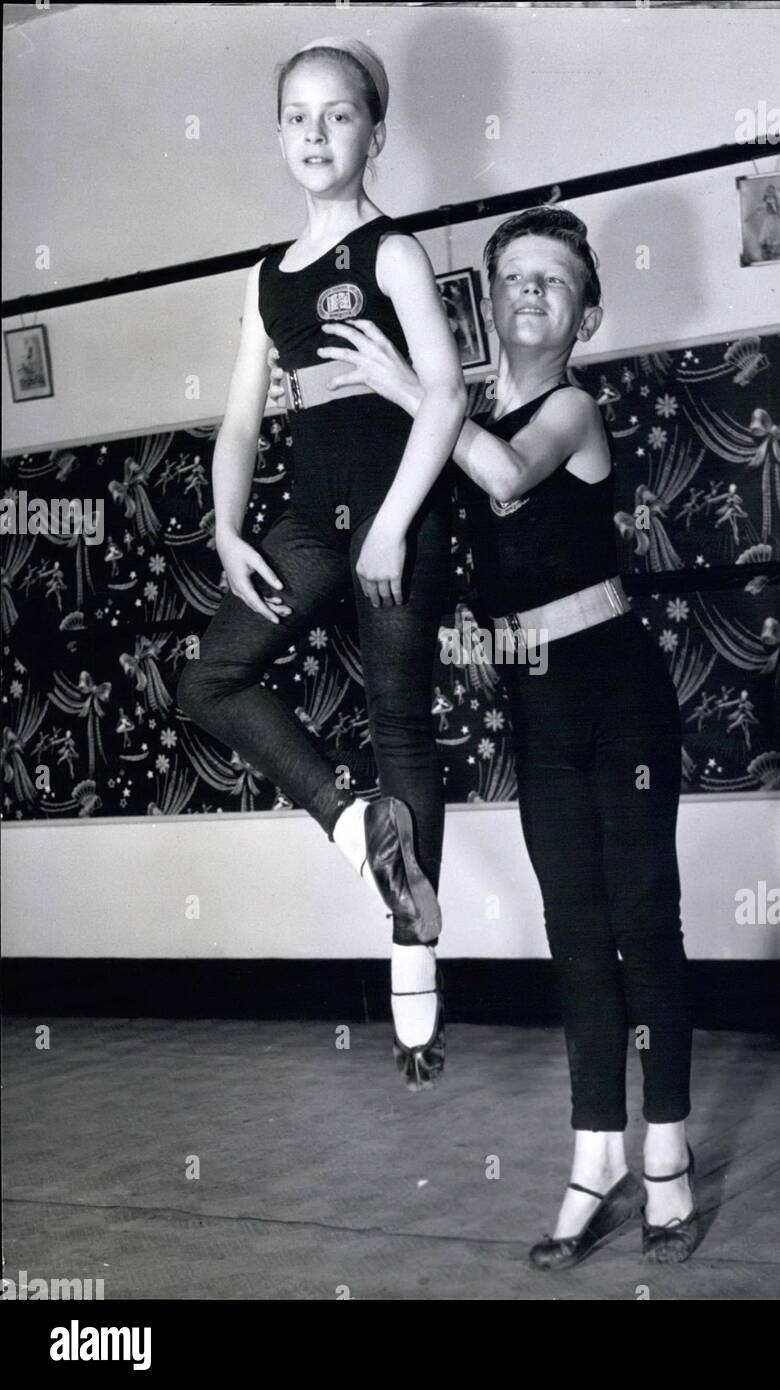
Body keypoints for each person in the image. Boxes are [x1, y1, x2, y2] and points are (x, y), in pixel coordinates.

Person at [269, 206, 699, 1268]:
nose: (530, 293)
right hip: (538, 708)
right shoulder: (446, 427)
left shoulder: (574, 410)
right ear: (487, 300)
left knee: (645, 931)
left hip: (621, 693)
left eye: (554, 281)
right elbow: (402, 492)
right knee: (574, 938)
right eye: (513, 276)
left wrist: (415, 388)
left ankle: (670, 1163)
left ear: (585, 312)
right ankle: (595, 1158)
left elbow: (507, 474)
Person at [176, 37, 466, 1092]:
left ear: (373, 135)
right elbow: (241, 425)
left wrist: (393, 524)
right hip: (307, 521)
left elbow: (444, 394)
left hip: (402, 517)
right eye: (297, 115)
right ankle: (352, 822)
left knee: (400, 726)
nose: (314, 131)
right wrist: (224, 529)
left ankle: (413, 981)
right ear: (278, 135)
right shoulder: (266, 281)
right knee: (207, 678)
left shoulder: (392, 253)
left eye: (337, 114)